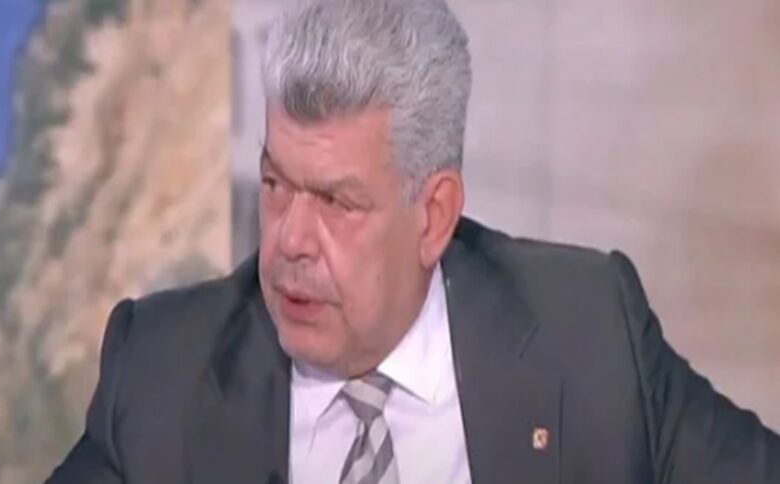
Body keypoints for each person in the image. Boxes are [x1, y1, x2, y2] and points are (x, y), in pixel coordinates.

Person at [47, 0, 780, 482]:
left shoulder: (586, 335)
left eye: (336, 202)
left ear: (433, 216)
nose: (290, 240)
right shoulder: (163, 374)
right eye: (275, 184)